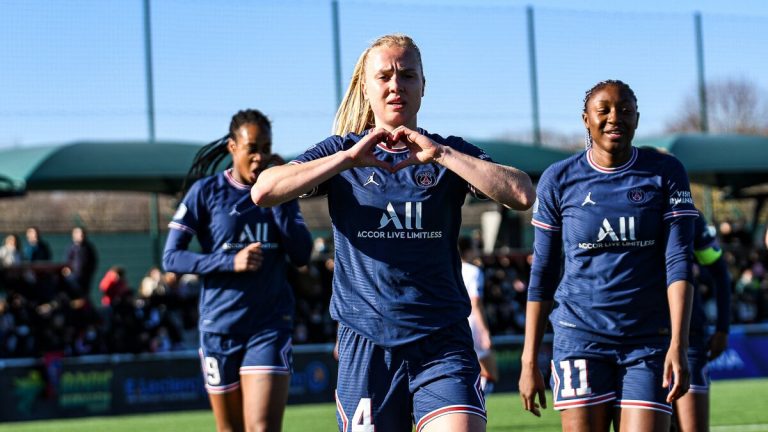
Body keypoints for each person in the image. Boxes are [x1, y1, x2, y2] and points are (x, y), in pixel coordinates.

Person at [251, 34, 535, 432]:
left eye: (407, 75)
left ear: (423, 86)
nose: (395, 85)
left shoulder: (448, 152)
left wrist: (443, 154)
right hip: (366, 345)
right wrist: (348, 159)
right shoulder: (341, 152)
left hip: (442, 342)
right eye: (383, 76)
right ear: (366, 87)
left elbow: (522, 193)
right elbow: (264, 190)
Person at [519, 79, 697, 431]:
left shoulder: (666, 172)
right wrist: (529, 360)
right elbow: (542, 272)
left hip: (647, 341)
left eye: (626, 110)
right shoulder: (558, 179)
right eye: (604, 110)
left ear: (637, 119)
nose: (615, 117)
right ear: (586, 119)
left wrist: (679, 344)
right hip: (578, 339)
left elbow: (678, 261)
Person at [163, 109, 313, 432]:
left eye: (266, 148)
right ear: (233, 148)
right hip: (219, 327)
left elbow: (301, 254)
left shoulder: (281, 192)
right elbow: (171, 258)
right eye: (252, 149)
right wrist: (229, 262)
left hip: (269, 326)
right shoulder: (205, 192)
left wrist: (280, 197)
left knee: (260, 428)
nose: (260, 157)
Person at [673, 210, 731, 432]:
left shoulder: (688, 215)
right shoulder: (619, 204)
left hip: (690, 336)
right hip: (640, 340)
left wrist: (723, 328)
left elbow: (719, 271)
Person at [458, 236, 499, 395]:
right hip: (473, 324)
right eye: (475, 247)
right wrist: (485, 331)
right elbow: (475, 303)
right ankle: (477, 403)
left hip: (456, 323)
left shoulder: (451, 269)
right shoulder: (473, 271)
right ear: (468, 251)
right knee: (490, 373)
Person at [62, 226, 98, 298]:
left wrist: (89, 272)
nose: (81, 235)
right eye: (78, 233)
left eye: (82, 233)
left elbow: (93, 261)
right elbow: (67, 262)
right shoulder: (71, 248)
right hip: (74, 278)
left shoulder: (88, 248)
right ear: (73, 235)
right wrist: (68, 272)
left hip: (85, 278)